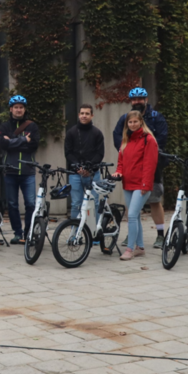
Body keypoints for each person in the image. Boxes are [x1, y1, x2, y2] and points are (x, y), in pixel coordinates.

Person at [113, 87, 168, 249]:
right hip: (132, 167)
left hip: (153, 166)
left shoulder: (156, 117)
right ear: (131, 101)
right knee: (133, 206)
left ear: (146, 100)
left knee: (155, 201)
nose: (137, 102)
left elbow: (161, 139)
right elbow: (117, 136)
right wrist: (127, 151)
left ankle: (160, 235)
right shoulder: (126, 118)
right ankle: (133, 235)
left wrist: (144, 154)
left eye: (140, 99)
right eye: (134, 99)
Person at [114, 109, 158, 260]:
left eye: (135, 122)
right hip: (128, 183)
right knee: (135, 216)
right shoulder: (126, 139)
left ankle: (129, 249)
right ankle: (140, 247)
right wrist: (118, 172)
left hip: (142, 184)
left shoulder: (149, 140)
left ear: (141, 122)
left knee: (131, 215)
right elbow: (121, 160)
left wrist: (146, 185)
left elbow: (150, 165)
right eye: (130, 122)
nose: (132, 124)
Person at [0, 95, 40, 245]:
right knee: (12, 204)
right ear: (11, 109)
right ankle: (17, 233)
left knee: (30, 204)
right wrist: (23, 140)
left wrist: (12, 141)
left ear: (24, 109)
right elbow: (4, 145)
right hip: (10, 170)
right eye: (16, 107)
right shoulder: (4, 127)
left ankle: (28, 233)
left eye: (21, 107)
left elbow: (34, 145)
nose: (18, 110)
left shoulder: (32, 126)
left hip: (28, 171)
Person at [64, 104, 105, 227]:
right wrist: (78, 167)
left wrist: (89, 168)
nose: (84, 116)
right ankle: (74, 234)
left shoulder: (97, 133)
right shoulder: (71, 132)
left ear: (92, 115)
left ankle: (94, 233)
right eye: (82, 113)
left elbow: (100, 153)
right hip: (75, 174)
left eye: (87, 113)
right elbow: (68, 153)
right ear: (78, 115)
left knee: (95, 203)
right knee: (76, 203)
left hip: (93, 174)